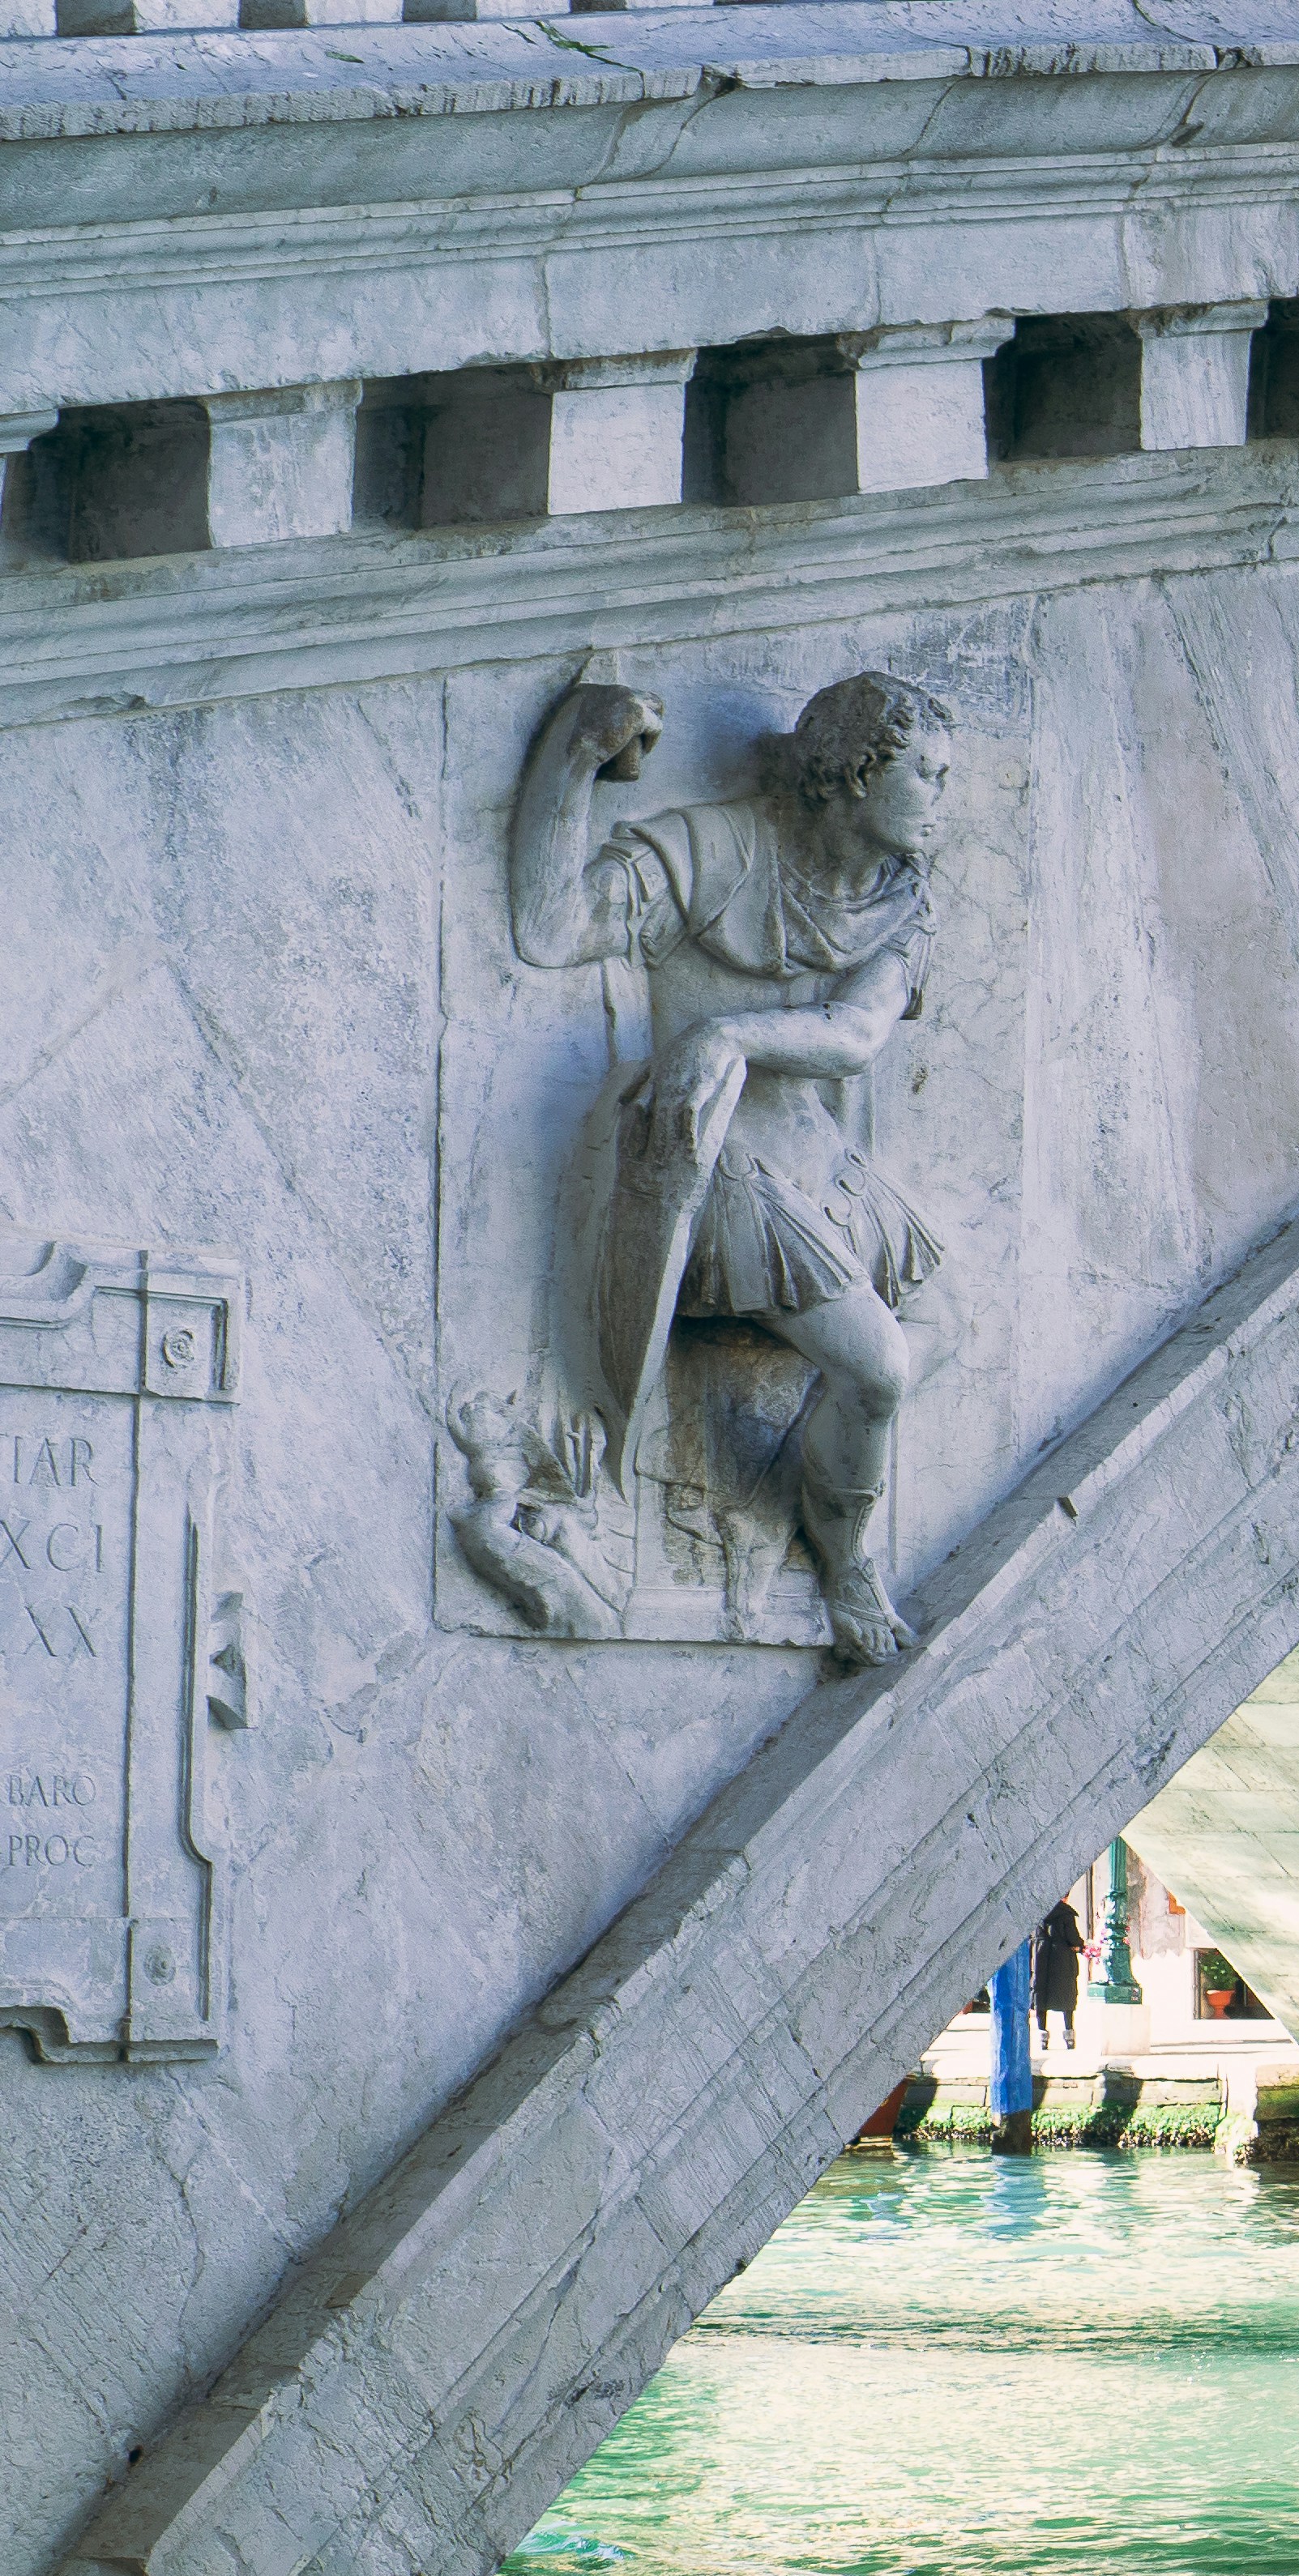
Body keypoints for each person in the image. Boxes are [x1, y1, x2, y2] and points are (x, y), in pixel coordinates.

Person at [511, 668, 964, 1667]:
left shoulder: (902, 903)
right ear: (855, 772)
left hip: (817, 1155)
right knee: (884, 1365)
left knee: (942, 1327)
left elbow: (853, 1035)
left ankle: (822, 1465)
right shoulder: (714, 848)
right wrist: (574, 761)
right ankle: (849, 1555)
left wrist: (731, 1034)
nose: (942, 799)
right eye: (925, 775)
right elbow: (550, 930)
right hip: (716, 1162)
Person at [1032, 1897, 1085, 2061]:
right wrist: (1081, 1946)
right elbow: (1073, 1939)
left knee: (1041, 1995)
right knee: (1066, 1997)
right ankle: (1069, 2037)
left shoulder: (1036, 1911)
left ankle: (1043, 2038)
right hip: (1061, 1959)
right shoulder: (1066, 1914)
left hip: (1040, 1957)